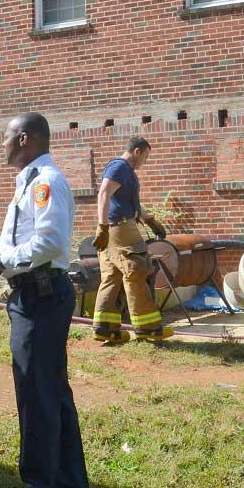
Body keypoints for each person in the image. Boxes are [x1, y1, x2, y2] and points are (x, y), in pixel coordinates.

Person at [0, 113, 88, 488]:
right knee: (52, 388)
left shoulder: (45, 182)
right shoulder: (30, 180)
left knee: (35, 394)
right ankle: (70, 482)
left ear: (24, 138)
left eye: (4, 136)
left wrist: (5, 260)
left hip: (39, 297)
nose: (0, 143)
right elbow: (29, 238)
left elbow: (50, 241)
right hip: (37, 292)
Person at [91, 136, 172, 344]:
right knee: (137, 271)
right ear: (137, 151)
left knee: (112, 276)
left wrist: (150, 220)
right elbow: (103, 194)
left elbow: (129, 203)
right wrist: (102, 227)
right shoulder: (119, 167)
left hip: (114, 229)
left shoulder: (126, 173)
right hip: (120, 229)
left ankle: (105, 329)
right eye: (145, 156)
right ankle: (148, 328)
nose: (145, 161)